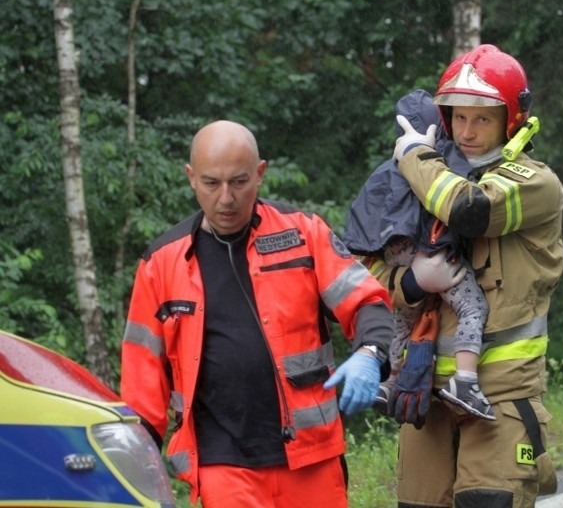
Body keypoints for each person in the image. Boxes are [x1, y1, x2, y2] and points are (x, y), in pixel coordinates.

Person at [119, 120, 394, 508]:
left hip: (309, 453)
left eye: (240, 181)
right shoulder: (162, 263)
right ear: (191, 179)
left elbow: (369, 302)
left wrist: (370, 354)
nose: (226, 198)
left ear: (261, 174)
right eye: (212, 183)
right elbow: (142, 375)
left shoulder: (303, 234)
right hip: (221, 463)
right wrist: (134, 460)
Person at [368, 44, 563, 506]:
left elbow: (467, 209)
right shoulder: (420, 181)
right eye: (458, 117)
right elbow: (366, 271)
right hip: (424, 396)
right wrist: (412, 283)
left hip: (500, 397)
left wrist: (414, 155)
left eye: (482, 118)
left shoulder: (535, 182)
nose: (467, 130)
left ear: (510, 119)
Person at [344, 88, 494, 420]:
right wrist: (413, 281)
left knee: (401, 320)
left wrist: (400, 270)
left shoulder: (384, 171)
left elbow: (361, 224)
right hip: (434, 249)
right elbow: (463, 202)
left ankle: (390, 382)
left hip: (393, 252)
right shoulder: (442, 160)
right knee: (472, 306)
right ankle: (466, 380)